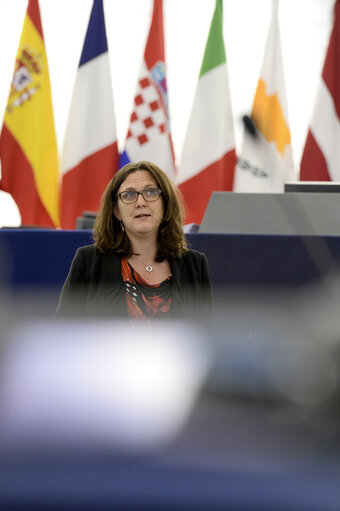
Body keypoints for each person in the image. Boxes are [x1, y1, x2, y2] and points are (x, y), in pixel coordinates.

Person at [57, 160, 212, 320]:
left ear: (165, 204)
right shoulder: (89, 262)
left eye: (151, 192)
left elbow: (207, 336)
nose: (140, 203)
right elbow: (63, 333)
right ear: (117, 211)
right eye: (129, 195)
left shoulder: (195, 265)